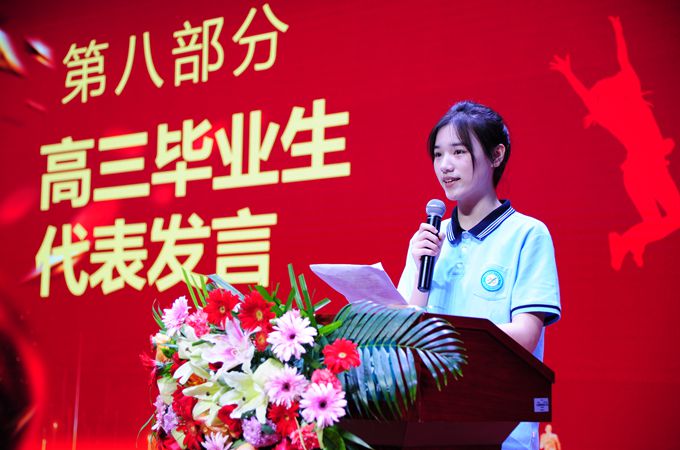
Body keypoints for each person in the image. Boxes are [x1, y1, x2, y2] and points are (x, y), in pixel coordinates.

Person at [397, 101, 561, 450]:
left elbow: (525, 335)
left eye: (458, 152)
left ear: (496, 155)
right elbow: (402, 335)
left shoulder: (527, 234)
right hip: (426, 426)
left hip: (500, 430)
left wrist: (435, 336)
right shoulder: (428, 240)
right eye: (438, 154)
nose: (445, 165)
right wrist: (420, 271)